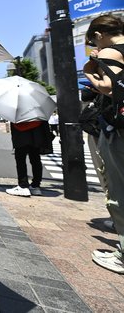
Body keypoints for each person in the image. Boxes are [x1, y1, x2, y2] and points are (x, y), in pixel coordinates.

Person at [83, 14, 124, 274]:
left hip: (118, 128)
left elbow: (108, 88)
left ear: (98, 34)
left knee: (119, 190)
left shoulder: (110, 51)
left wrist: (89, 71)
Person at [5, 119, 51, 197]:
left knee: (20, 160)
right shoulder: (37, 109)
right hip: (35, 134)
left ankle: (23, 185)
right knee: (35, 159)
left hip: (21, 135)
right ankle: (35, 186)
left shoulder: (18, 109)